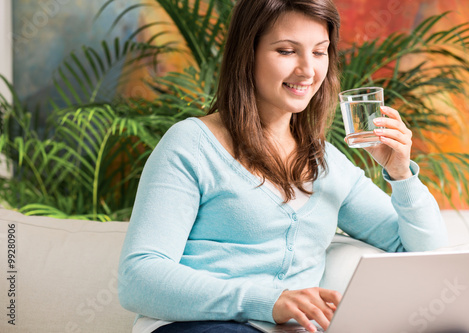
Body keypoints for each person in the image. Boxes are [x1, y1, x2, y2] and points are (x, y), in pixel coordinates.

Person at [118, 0, 448, 332]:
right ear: (248, 54)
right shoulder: (191, 144)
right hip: (198, 325)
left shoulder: (329, 164)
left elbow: (425, 253)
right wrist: (269, 301)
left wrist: (401, 174)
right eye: (287, 51)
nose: (308, 70)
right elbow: (139, 277)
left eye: (320, 52)